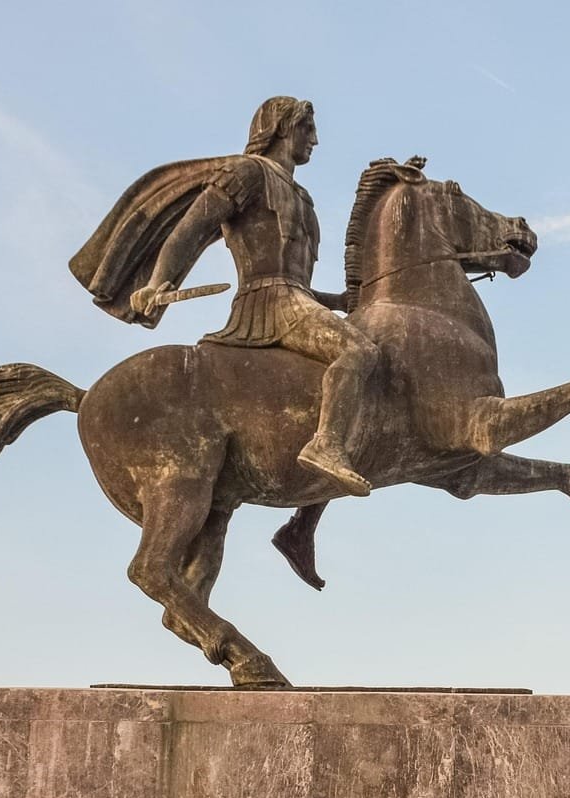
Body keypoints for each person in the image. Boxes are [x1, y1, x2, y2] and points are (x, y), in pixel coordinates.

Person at [71, 97, 379, 502]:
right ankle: (326, 445)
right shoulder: (247, 173)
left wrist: (336, 299)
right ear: (282, 128)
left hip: (297, 303)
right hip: (270, 306)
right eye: (308, 128)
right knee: (358, 351)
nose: (316, 140)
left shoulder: (302, 198)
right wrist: (159, 280)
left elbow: (298, 283)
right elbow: (191, 229)